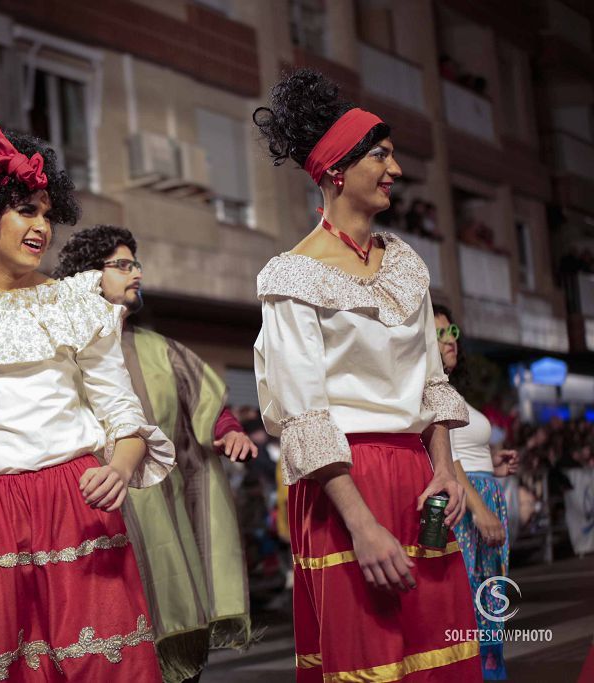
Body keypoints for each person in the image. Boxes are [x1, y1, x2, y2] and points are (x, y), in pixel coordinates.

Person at [0, 126, 175, 681]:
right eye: (26, 210)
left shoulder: (76, 303)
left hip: (75, 504)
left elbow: (124, 414)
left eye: (47, 213)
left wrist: (118, 466)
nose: (42, 226)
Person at [251, 69, 481, 682]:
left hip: (419, 478)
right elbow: (304, 413)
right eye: (380, 156)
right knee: (369, 663)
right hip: (342, 485)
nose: (395, 169)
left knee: (443, 655)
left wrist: (445, 468)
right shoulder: (290, 276)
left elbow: (432, 381)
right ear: (334, 171)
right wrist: (360, 524)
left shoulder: (405, 261)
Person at [54, 225, 257, 682]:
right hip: (95, 520)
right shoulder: (58, 353)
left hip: (165, 520)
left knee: (177, 647)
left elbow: (206, 407)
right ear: (88, 275)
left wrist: (227, 432)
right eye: (122, 265)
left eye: (136, 264)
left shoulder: (162, 350)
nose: (136, 273)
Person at [433, 303, 518, 680]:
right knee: (469, 604)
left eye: (452, 332)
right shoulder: (427, 391)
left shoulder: (451, 391)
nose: (450, 339)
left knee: (492, 602)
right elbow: (445, 457)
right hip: (466, 506)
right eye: (439, 334)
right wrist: (480, 510)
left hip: (482, 492)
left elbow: (464, 449)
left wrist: (492, 464)